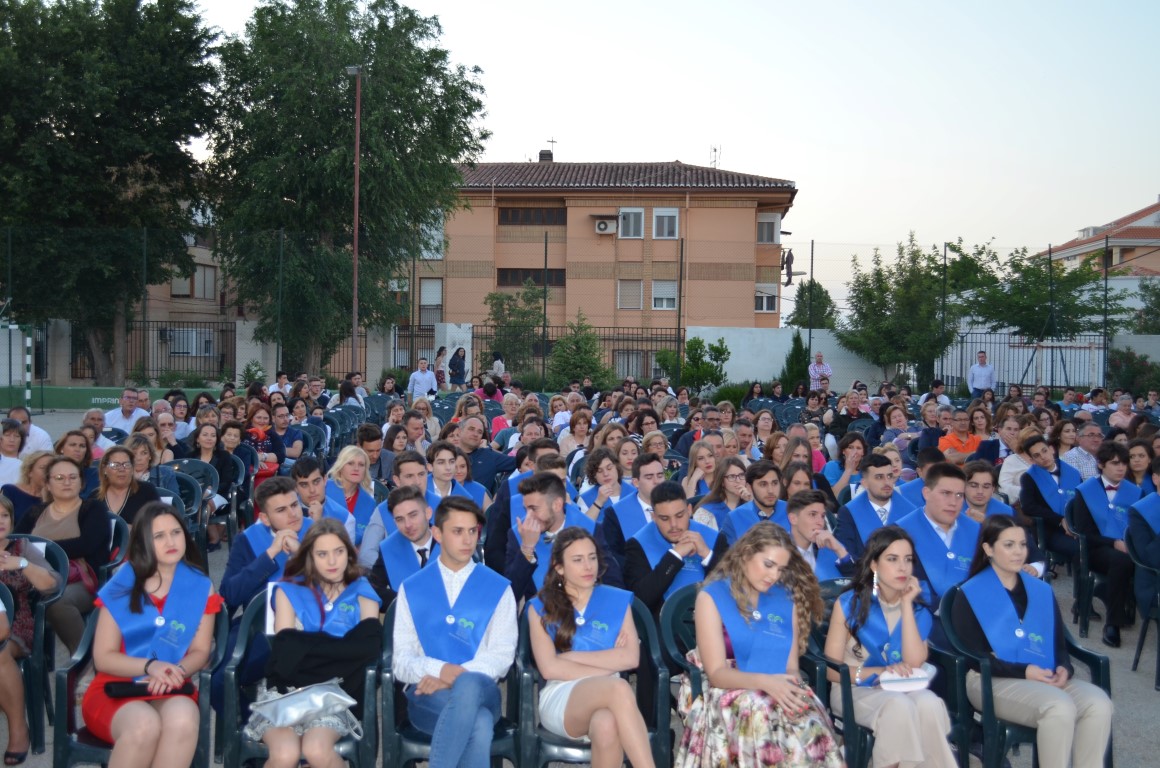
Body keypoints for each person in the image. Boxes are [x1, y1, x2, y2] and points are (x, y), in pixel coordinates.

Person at [674, 523, 842, 768]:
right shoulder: (711, 597)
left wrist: (789, 692)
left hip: (776, 681)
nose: (773, 576)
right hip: (727, 688)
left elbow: (791, 667)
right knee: (760, 713)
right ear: (746, 553)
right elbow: (717, 674)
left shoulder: (786, 599)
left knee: (807, 717)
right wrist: (767, 684)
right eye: (768, 564)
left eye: (781, 569)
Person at [952, 515, 1112, 768]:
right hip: (989, 680)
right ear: (988, 548)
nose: (1019, 552)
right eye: (1009, 545)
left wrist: (1064, 668)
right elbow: (974, 656)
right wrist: (1024, 671)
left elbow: (1059, 642)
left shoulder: (1040, 590)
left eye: (1023, 545)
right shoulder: (968, 593)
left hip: (1042, 674)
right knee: (1058, 707)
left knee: (1098, 703)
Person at [82, 502, 219, 763]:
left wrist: (174, 671)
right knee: (143, 726)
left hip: (172, 681)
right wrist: (150, 666)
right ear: (143, 541)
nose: (171, 541)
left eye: (176, 532)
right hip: (115, 686)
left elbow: (201, 651)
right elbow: (103, 657)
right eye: (159, 536)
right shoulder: (122, 584)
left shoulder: (200, 586)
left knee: (183, 720)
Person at [392, 496, 517, 768]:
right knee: (480, 724)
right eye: (458, 531)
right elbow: (400, 661)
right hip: (427, 698)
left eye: (473, 531)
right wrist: (441, 669)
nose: (467, 540)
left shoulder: (498, 587)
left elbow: (502, 656)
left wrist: (451, 678)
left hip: (483, 690)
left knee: (470, 686)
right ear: (437, 533)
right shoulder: (412, 588)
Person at [245, 518, 381, 768]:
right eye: (322, 554)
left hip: (339, 696)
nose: (332, 561)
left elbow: (369, 650)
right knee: (285, 754)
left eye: (339, 552)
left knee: (316, 749)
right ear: (310, 557)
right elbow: (285, 654)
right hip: (286, 691)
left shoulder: (363, 590)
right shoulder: (290, 590)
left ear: (349, 554)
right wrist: (342, 650)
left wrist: (307, 647)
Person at [823, 526, 958, 768]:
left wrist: (906, 604)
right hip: (853, 689)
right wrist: (880, 673)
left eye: (907, 560)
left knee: (928, 703)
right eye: (892, 559)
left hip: (902, 688)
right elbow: (832, 670)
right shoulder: (849, 604)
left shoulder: (917, 608)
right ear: (874, 564)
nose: (902, 568)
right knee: (899, 707)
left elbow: (914, 663)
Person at [526, 528, 655, 767]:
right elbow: (550, 670)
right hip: (561, 697)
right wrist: (608, 662)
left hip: (612, 699)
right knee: (618, 686)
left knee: (606, 724)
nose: (588, 566)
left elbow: (630, 659)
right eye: (577, 560)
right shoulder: (540, 606)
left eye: (592, 557)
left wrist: (572, 657)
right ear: (559, 567)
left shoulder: (618, 600)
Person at [15, 456, 111, 653]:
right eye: (59, 477)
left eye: (72, 477)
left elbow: (86, 545)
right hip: (31, 579)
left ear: (81, 482)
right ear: (48, 484)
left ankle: (84, 659)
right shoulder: (35, 512)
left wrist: (41, 550)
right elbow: (16, 542)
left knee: (57, 600)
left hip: (79, 581)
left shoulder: (93, 508)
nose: (66, 482)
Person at [0, 495, 63, 764]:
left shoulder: (22, 547)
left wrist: (22, 565)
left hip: (18, 625)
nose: (0, 521)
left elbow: (53, 584)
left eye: (4, 515)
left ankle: (19, 730)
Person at [1069, 441, 1138, 647]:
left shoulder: (1134, 492)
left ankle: (1111, 596)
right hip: (1094, 550)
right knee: (1121, 561)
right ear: (1101, 465)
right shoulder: (1085, 490)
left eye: (1124, 463)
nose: (1121, 468)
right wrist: (1113, 542)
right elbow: (1083, 532)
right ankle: (1113, 623)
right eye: (1115, 463)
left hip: (1126, 548)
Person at [623, 481, 727, 616]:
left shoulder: (715, 539)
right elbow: (640, 601)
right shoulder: (637, 545)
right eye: (664, 518)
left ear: (689, 510)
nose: (674, 525)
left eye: (679, 516)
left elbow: (732, 589)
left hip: (713, 620)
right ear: (653, 517)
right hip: (662, 628)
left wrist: (707, 555)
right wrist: (674, 556)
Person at [896, 463, 980, 614]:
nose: (953, 502)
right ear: (926, 493)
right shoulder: (900, 533)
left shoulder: (977, 531)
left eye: (959, 495)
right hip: (918, 616)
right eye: (946, 493)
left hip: (972, 617)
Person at [1019, 433, 1081, 563]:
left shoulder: (1073, 472)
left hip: (1076, 524)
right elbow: (1028, 507)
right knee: (1079, 548)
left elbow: (1082, 501)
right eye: (1036, 455)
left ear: (1051, 449)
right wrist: (1060, 520)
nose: (1043, 457)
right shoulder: (1028, 478)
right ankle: (1080, 582)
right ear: (1032, 460)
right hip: (1048, 530)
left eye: (1044, 451)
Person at [721, 461, 787, 545]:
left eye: (774, 483)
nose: (770, 490)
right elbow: (728, 556)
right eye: (763, 484)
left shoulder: (791, 511)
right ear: (749, 487)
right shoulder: (735, 518)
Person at [787, 490, 848, 580]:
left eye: (822, 516)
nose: (820, 523)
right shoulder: (777, 551)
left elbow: (857, 586)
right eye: (813, 515)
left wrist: (840, 550)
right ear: (793, 519)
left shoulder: (832, 547)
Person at [98, 446, 162, 527]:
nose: (121, 469)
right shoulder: (95, 497)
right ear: (104, 469)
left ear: (132, 468)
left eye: (126, 464)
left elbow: (159, 524)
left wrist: (134, 531)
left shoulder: (147, 491)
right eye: (115, 465)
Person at [325, 446, 376, 546]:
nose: (356, 468)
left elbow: (367, 537)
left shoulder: (369, 502)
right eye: (350, 463)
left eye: (361, 465)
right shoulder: (324, 489)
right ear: (341, 466)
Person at [693, 457, 751, 531]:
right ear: (722, 482)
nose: (738, 480)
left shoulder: (750, 504)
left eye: (741, 475)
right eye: (732, 476)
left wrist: (750, 504)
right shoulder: (707, 512)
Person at [1, 451, 53, 524]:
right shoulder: (10, 491)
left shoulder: (57, 497)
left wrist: (46, 500)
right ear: (29, 472)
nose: (48, 472)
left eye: (52, 468)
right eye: (43, 468)